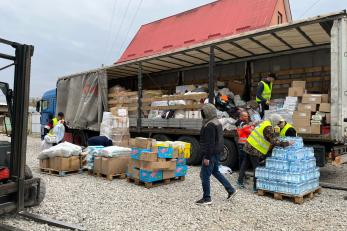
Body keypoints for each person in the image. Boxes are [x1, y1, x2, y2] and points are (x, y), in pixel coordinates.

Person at [196, 103, 237, 205]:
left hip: (211, 154)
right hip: (217, 152)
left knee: (204, 175)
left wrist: (207, 157)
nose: (202, 114)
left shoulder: (209, 125)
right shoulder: (216, 122)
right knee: (215, 172)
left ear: (207, 113)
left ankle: (207, 198)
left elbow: (210, 143)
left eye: (203, 112)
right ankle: (231, 189)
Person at [244, 114, 291, 192]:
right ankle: (255, 187)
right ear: (275, 121)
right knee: (257, 168)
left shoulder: (265, 123)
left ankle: (239, 181)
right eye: (278, 122)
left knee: (245, 163)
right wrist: (287, 143)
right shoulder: (268, 127)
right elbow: (274, 141)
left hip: (249, 144)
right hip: (254, 148)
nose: (278, 124)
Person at [235, 111, 254, 188]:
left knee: (242, 160)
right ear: (241, 116)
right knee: (244, 161)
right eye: (245, 116)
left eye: (247, 116)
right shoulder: (242, 123)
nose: (247, 118)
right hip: (243, 144)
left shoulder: (241, 122)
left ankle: (242, 176)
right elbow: (249, 131)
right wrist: (252, 127)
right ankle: (241, 178)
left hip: (242, 143)